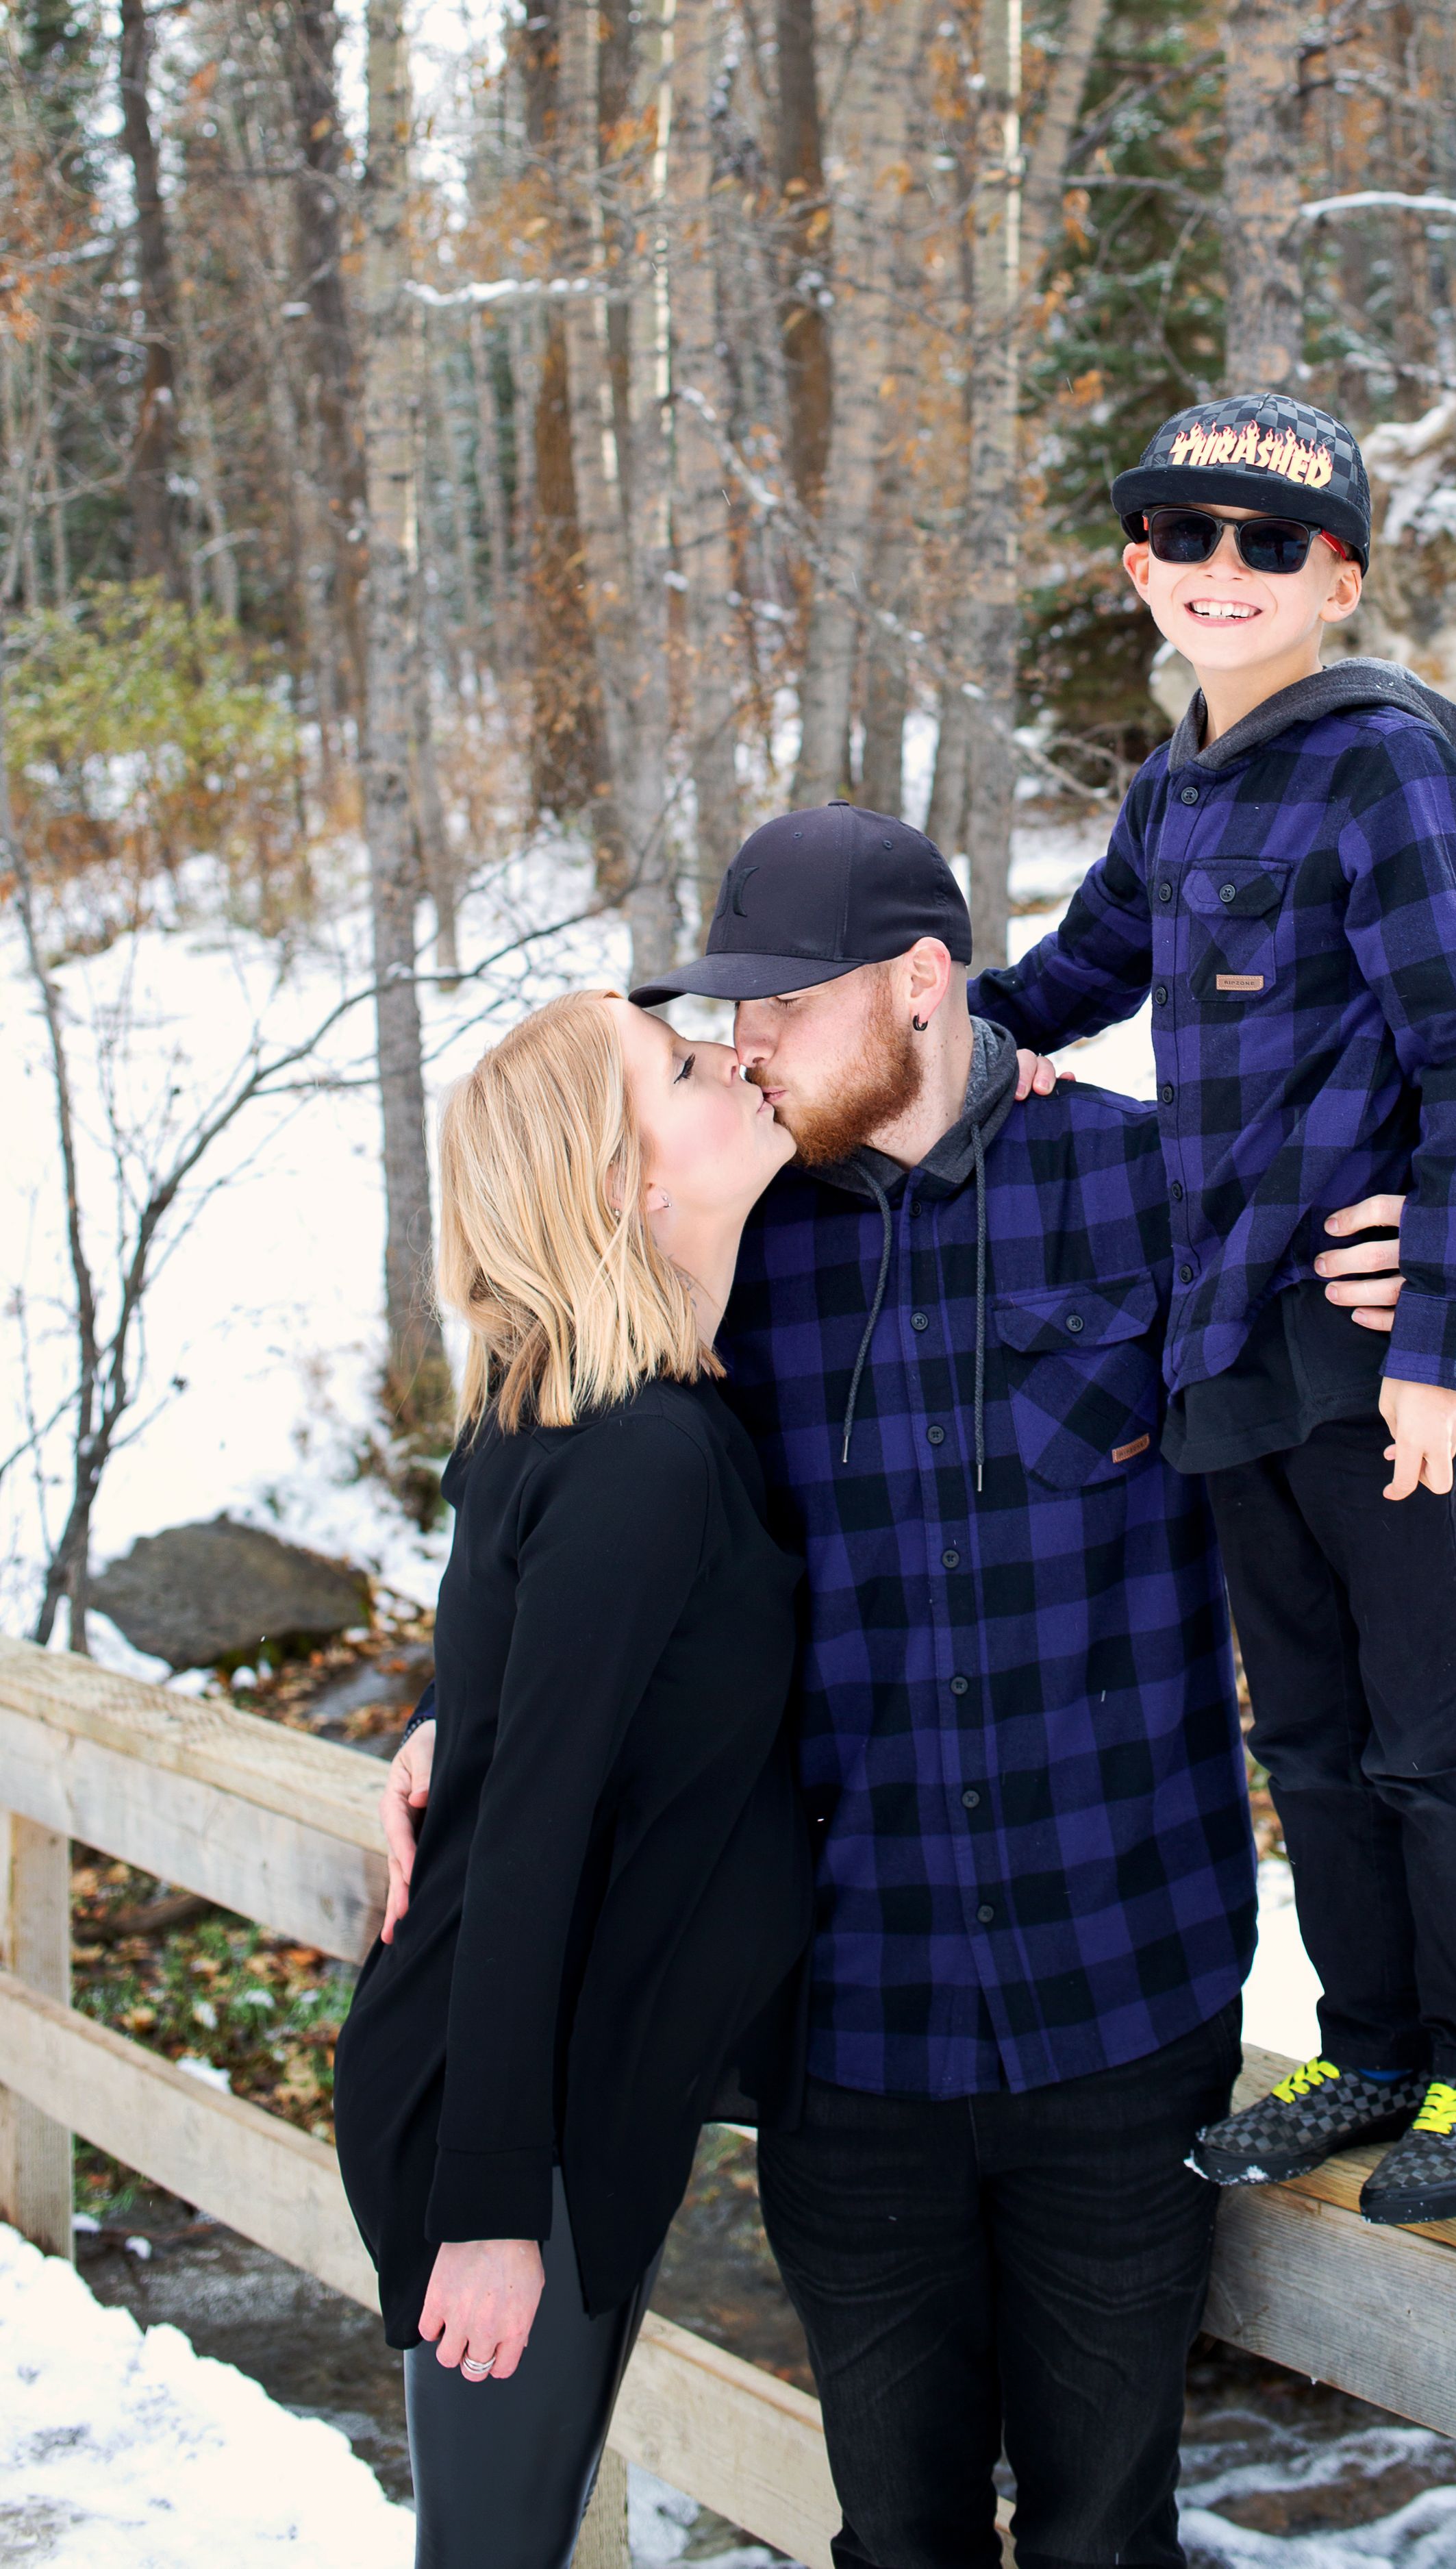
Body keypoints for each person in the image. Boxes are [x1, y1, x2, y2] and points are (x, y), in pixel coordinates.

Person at [383, 804, 1456, 2569]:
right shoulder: (731, 1233)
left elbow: (1411, 1368)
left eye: (786, 1004)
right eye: (730, 1018)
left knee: (1105, 2534)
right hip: (845, 2028)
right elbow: (552, 1452)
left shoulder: (1152, 1180)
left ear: (922, 983)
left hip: (1126, 1996)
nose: (750, 1046)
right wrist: (449, 1701)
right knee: (894, 2537)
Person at [968, 391, 1456, 2229]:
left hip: (1360, 1340)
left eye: (1272, 542)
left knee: (1426, 1714)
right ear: (1137, 568)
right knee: (1302, 1723)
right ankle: (1369, 2044)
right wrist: (932, 1040)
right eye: (1187, 536)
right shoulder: (1173, 788)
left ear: (1338, 580)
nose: (1223, 569)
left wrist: (1438, 1349)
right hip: (1217, 1332)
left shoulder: (1380, 764)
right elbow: (1071, 976)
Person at [333, 989, 813, 2569]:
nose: (731, 1059)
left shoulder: (609, 1417)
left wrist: (445, 1716)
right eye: (680, 1069)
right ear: (622, 1180)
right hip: (507, 2125)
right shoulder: (639, 1456)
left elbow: (525, 1666)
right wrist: (487, 2212)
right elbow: (526, 1843)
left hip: (568, 2083)